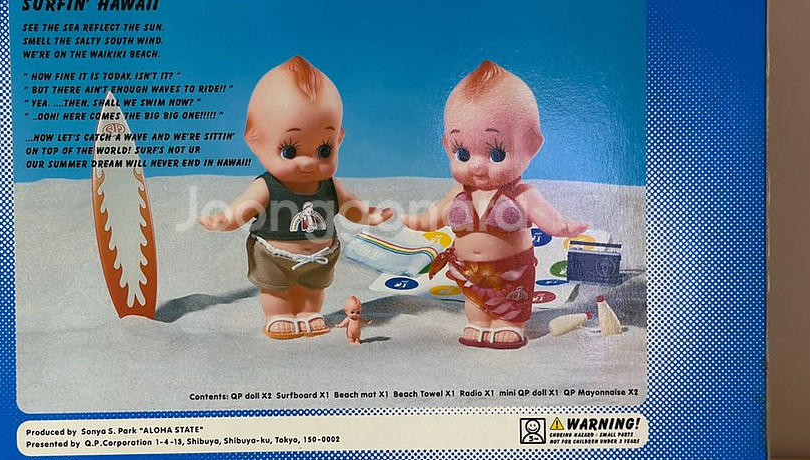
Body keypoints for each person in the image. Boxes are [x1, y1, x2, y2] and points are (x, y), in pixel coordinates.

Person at [200, 57, 393, 339]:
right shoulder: (267, 187)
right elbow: (244, 208)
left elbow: (351, 206)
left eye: (324, 150)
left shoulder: (330, 185)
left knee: (313, 290)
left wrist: (371, 215)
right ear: (256, 141)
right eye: (289, 151)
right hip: (274, 256)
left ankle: (309, 313)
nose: (308, 162)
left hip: (321, 256)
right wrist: (225, 219)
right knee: (276, 291)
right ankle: (278, 315)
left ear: (338, 140)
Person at [402, 60, 587, 349]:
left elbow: (543, 214)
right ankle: (478, 322)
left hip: (511, 274)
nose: (477, 166)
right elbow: (437, 214)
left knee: (511, 306)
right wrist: (419, 221)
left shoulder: (520, 194)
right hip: (469, 271)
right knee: (475, 307)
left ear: (531, 146)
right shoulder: (459, 192)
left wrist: (561, 226)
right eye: (463, 153)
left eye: (497, 154)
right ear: (447, 146)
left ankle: (510, 324)